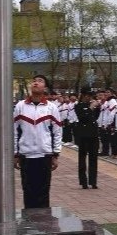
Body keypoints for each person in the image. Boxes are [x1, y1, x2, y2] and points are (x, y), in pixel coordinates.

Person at [13, 75, 62, 209]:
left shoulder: (51, 108)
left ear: (45, 87)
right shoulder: (20, 106)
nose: (36, 83)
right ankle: (28, 223)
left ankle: (43, 222)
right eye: (34, 80)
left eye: (40, 81)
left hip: (44, 154)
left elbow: (57, 132)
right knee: (28, 191)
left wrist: (55, 154)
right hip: (26, 155)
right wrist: (15, 153)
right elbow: (14, 131)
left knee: (43, 192)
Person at [73, 88, 100, 189]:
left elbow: (95, 117)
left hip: (93, 134)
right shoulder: (78, 106)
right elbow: (83, 118)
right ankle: (83, 181)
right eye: (87, 95)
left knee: (93, 158)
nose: (89, 98)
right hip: (83, 135)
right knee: (82, 158)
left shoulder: (93, 105)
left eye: (91, 96)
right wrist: (90, 108)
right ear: (83, 96)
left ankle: (93, 181)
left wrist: (97, 108)